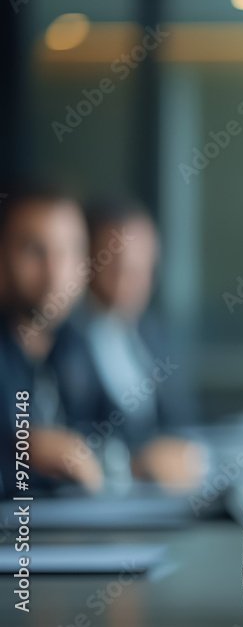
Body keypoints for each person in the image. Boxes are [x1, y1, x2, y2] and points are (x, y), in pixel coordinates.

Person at [71, 197, 207, 493]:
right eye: (119, 265)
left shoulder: (151, 332)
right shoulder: (61, 338)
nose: (134, 278)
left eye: (143, 266)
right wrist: (135, 465)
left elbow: (179, 419)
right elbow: (58, 441)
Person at [0, 187, 108, 497]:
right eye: (34, 250)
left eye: (69, 250)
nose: (54, 271)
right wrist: (16, 456)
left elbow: (113, 433)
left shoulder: (77, 343)